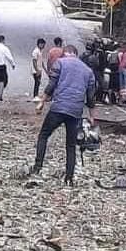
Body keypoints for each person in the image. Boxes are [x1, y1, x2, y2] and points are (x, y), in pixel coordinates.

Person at [32, 45, 96, 186]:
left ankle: (37, 167)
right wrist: (92, 116)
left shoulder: (60, 63)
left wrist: (42, 101)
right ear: (75, 54)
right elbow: (91, 97)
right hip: (75, 111)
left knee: (43, 135)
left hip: (59, 107)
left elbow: (51, 85)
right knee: (71, 145)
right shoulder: (88, 71)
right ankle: (69, 177)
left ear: (65, 53)